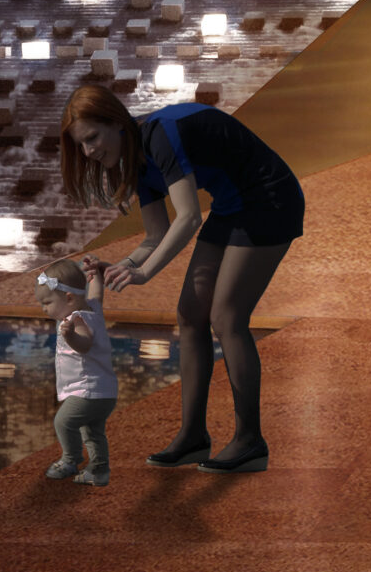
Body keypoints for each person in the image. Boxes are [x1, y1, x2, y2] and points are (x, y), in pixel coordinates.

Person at [61, 85, 304, 474]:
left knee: (226, 318)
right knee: (190, 313)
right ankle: (192, 436)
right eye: (81, 145)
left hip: (270, 199)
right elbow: (155, 236)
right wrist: (120, 265)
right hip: (231, 206)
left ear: (117, 123)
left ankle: (250, 441)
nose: (89, 151)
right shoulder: (137, 158)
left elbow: (189, 216)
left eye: (93, 137)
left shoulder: (160, 134)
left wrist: (144, 272)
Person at [34, 257, 116, 486]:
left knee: (63, 422)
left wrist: (70, 336)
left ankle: (70, 460)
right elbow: (97, 293)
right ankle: (99, 471)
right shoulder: (93, 308)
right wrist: (96, 275)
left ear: (68, 298)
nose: (44, 308)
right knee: (92, 432)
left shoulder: (76, 318)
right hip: (105, 391)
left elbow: (85, 343)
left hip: (87, 390)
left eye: (47, 302)